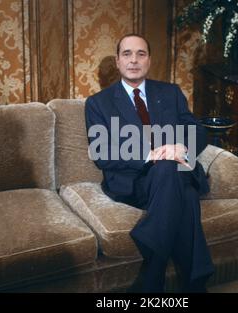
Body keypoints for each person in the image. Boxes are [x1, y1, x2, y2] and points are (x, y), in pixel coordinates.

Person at [85, 34, 215, 293]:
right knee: (186, 196)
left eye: (141, 54)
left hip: (171, 176)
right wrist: (150, 156)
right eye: (127, 54)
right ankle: (195, 283)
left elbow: (197, 130)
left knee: (172, 172)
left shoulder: (170, 92)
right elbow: (102, 153)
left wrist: (183, 146)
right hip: (133, 182)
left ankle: (152, 277)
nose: (134, 60)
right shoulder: (98, 103)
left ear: (149, 60)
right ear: (118, 61)